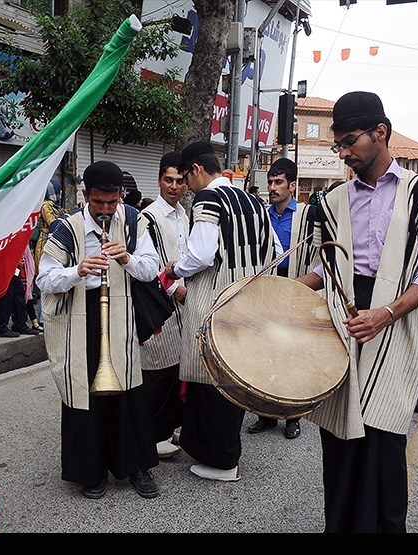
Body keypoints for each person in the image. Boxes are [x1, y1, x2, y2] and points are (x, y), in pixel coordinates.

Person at [295, 91, 418, 533]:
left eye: (351, 142)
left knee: (383, 437)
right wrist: (286, 292)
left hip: (397, 321)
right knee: (339, 434)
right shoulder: (333, 199)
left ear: (380, 133)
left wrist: (385, 313)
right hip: (343, 319)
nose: (344, 153)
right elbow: (325, 265)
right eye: (339, 146)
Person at [36, 160, 161, 500]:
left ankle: (136, 466)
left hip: (120, 313)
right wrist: (77, 271)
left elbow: (151, 269)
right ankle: (91, 472)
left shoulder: (134, 220)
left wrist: (128, 259)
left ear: (121, 195)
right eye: (98, 203)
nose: (105, 210)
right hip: (81, 315)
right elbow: (43, 278)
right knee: (84, 392)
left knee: (128, 388)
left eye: (112, 202)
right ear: (85, 195)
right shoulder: (66, 227)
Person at [164, 141, 274, 482]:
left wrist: (174, 268)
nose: (186, 186)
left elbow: (200, 254)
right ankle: (214, 449)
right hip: (247, 296)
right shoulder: (253, 200)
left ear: (196, 169)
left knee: (211, 378)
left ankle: (223, 460)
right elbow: (275, 248)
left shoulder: (208, 198)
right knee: (232, 376)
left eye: (186, 177)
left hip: (214, 296)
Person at [247, 157, 319, 440]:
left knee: (292, 357)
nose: (273, 188)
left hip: (295, 292)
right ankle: (265, 415)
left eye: (278, 182)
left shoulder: (307, 215)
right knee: (264, 355)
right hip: (266, 294)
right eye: (270, 183)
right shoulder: (261, 215)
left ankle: (292, 416)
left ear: (293, 185)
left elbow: (317, 257)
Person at [139, 152, 188, 459]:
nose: (174, 186)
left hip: (184, 305)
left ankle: (165, 432)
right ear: (159, 181)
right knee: (156, 371)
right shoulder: (148, 218)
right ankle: (150, 436)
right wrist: (174, 289)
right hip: (160, 303)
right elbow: (148, 266)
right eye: (168, 180)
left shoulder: (186, 215)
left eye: (180, 181)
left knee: (175, 370)